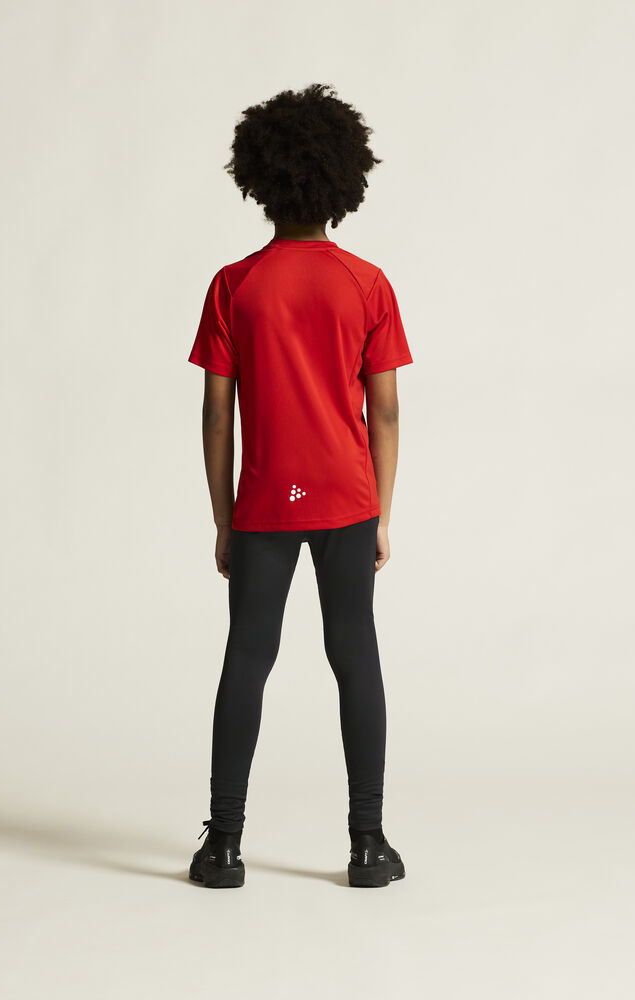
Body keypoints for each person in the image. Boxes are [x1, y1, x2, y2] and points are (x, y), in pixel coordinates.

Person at [186, 83, 412, 888]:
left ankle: (223, 847)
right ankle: (367, 846)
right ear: (343, 180)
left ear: (262, 179)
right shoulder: (367, 283)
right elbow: (386, 411)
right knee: (355, 654)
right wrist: (381, 513)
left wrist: (225, 519)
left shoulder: (234, 285)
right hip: (348, 499)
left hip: (263, 505)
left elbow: (217, 415)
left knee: (247, 657)